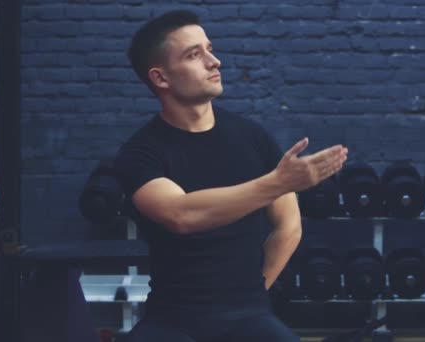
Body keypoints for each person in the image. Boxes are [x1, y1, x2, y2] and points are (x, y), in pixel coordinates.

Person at [114, 9, 348, 342]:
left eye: (210, 49)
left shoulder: (251, 138)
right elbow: (181, 214)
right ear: (161, 78)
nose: (214, 62)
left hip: (249, 316)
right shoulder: (140, 154)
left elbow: (288, 225)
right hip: (171, 321)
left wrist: (255, 295)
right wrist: (278, 183)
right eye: (195, 55)